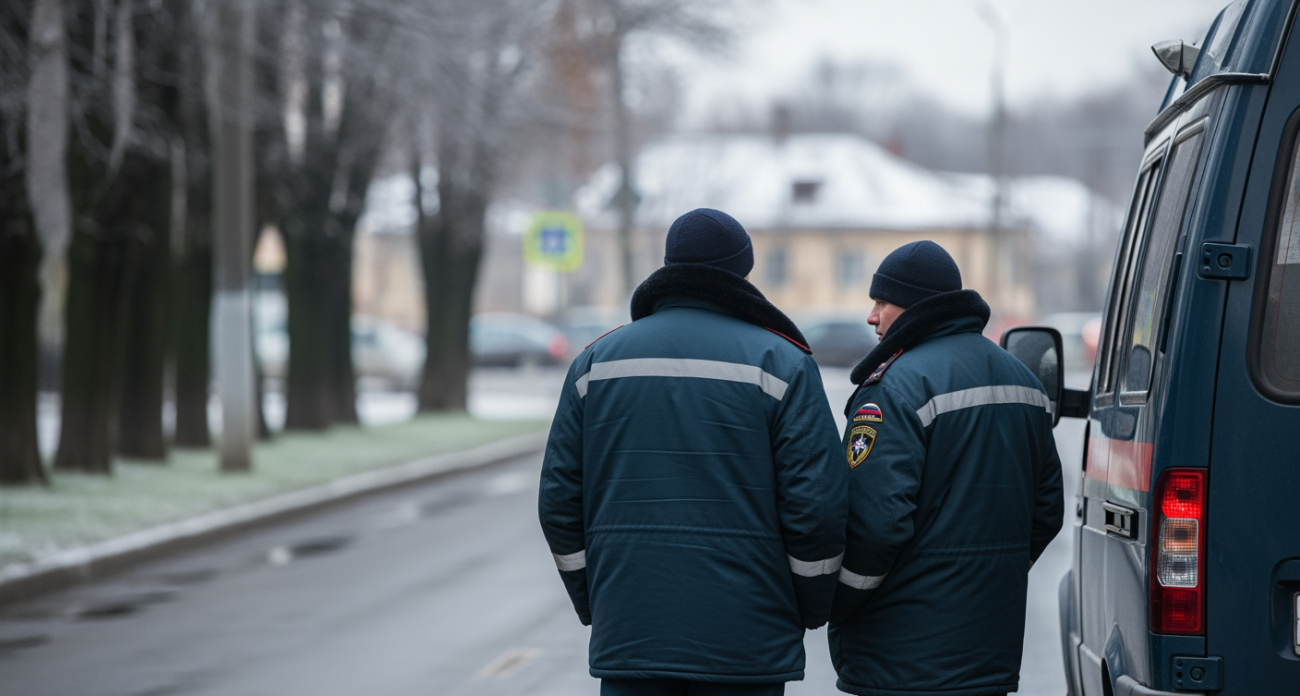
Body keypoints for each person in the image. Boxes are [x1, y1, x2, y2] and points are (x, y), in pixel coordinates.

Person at [539, 208, 848, 696]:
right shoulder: (783, 362)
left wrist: (597, 600)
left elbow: (559, 503)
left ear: (668, 269)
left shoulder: (595, 363)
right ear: (742, 276)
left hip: (632, 636)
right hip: (748, 644)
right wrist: (807, 606)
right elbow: (818, 508)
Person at [829, 240, 1064, 696]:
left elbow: (875, 526)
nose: (871, 316)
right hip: (988, 651)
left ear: (916, 306)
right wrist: (990, 578)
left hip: (902, 657)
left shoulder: (894, 389)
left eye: (882, 302)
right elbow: (1046, 511)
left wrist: (840, 603)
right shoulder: (1025, 382)